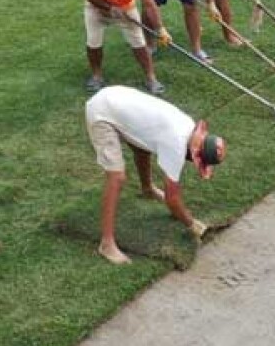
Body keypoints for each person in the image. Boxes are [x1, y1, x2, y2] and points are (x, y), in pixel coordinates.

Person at [85, 85, 227, 264]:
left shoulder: (187, 125)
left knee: (144, 146)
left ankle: (147, 189)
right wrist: (192, 224)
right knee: (116, 177)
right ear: (194, 154)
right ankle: (106, 244)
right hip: (102, 112)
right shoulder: (176, 144)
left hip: (117, 98)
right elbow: (172, 199)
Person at [82, 0, 169, 95]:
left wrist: (160, 28)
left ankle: (151, 78)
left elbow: (149, 4)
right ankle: (96, 76)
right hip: (96, 7)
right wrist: (108, 7)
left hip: (127, 8)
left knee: (139, 43)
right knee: (94, 41)